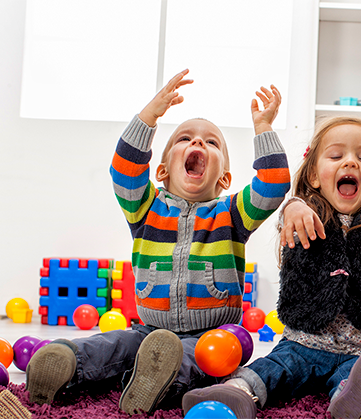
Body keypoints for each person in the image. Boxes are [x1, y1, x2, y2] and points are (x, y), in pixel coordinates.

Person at [23, 69, 291, 415]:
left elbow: (273, 185)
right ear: (162, 170)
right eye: (185, 139)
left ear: (224, 178)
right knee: (115, 344)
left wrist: (264, 129)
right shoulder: (145, 207)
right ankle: (67, 363)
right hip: (149, 328)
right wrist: (150, 116)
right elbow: (124, 169)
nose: (197, 143)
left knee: (203, 360)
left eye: (211, 142)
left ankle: (154, 382)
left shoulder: (232, 213)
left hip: (212, 333)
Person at [181, 116, 361, 419]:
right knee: (272, 368)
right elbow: (289, 219)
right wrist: (293, 207)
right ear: (315, 175)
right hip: (303, 342)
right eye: (336, 155)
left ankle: (350, 397)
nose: (351, 163)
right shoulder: (304, 214)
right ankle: (236, 392)